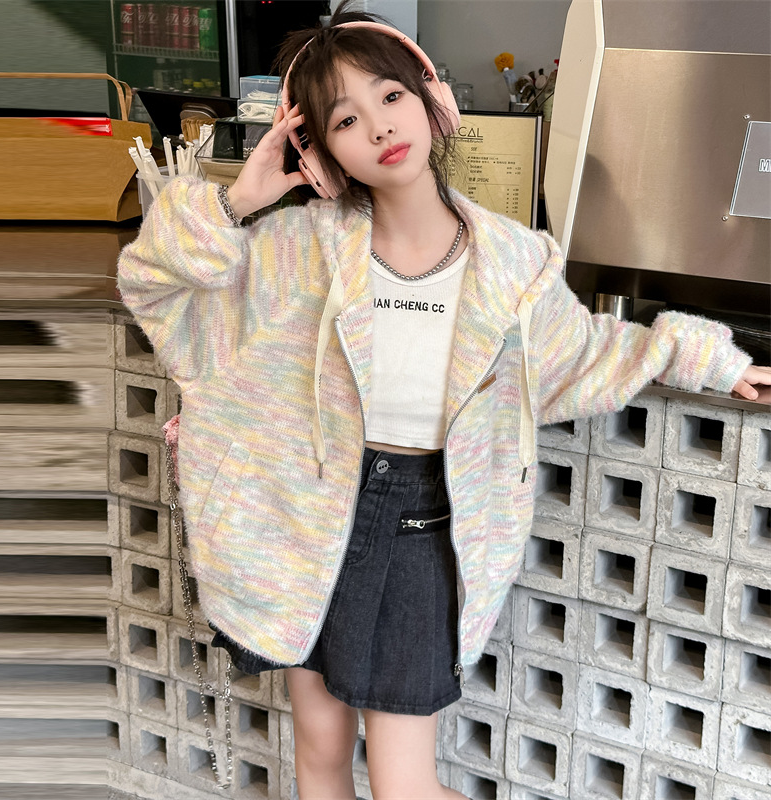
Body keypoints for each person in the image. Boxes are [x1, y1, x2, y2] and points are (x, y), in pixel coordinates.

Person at [117, 3, 769, 797]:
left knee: (403, 785)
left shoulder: (513, 260)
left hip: (425, 526)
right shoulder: (297, 248)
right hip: (306, 518)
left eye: (391, 96)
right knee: (318, 752)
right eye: (345, 120)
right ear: (318, 151)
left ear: (433, 100)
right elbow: (155, 287)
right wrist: (237, 203)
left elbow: (583, 352)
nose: (379, 127)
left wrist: (706, 357)